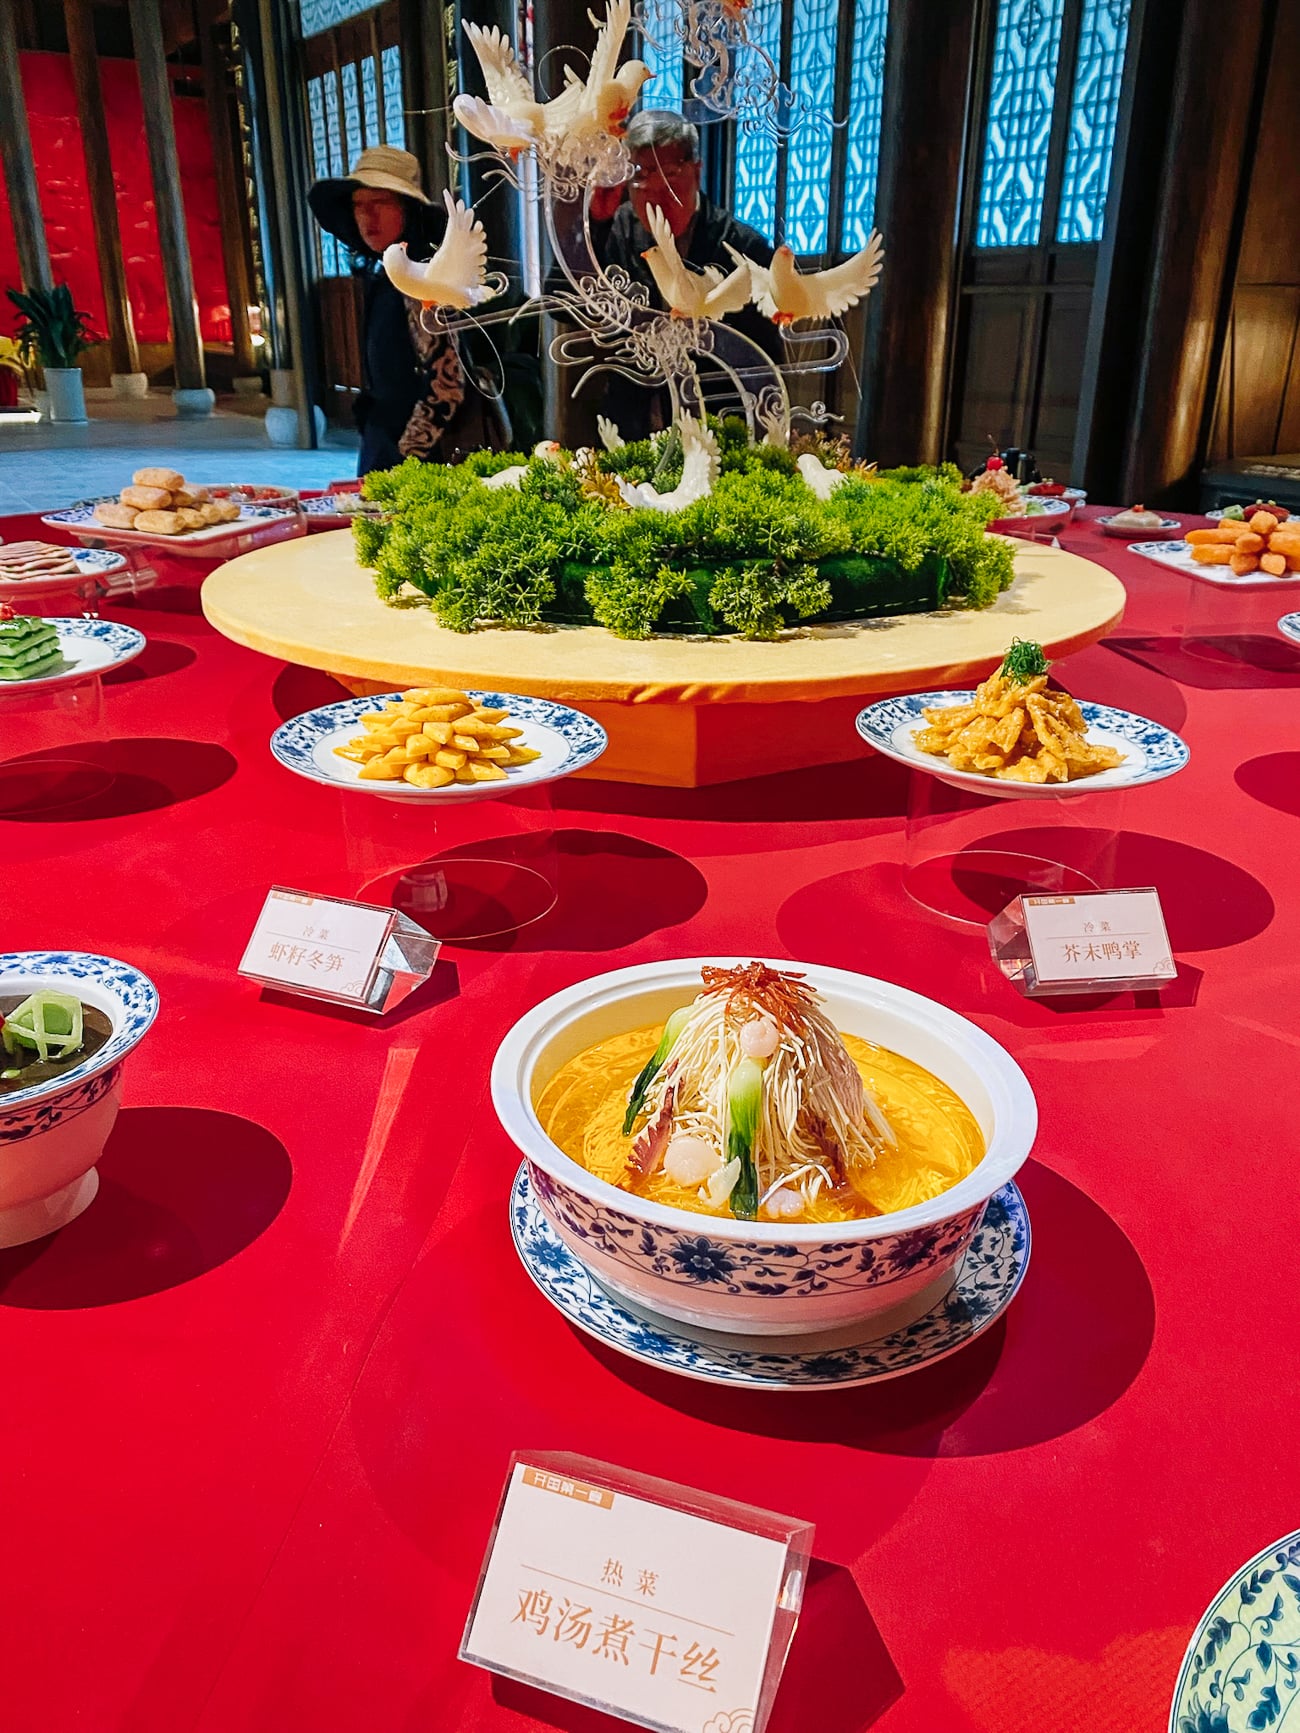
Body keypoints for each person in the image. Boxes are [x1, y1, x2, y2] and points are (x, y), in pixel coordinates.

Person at [577, 111, 784, 439]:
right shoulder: (616, 230)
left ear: (697, 172)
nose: (657, 199)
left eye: (670, 178)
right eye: (642, 180)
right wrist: (595, 223)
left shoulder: (744, 247)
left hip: (719, 427)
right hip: (632, 427)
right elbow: (565, 305)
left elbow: (768, 363)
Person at [308, 146, 507, 475]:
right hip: (386, 446)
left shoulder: (424, 281)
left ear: (407, 208)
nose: (367, 217)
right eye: (359, 205)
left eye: (381, 203)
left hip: (424, 462)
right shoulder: (383, 275)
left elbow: (448, 384)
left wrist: (407, 459)